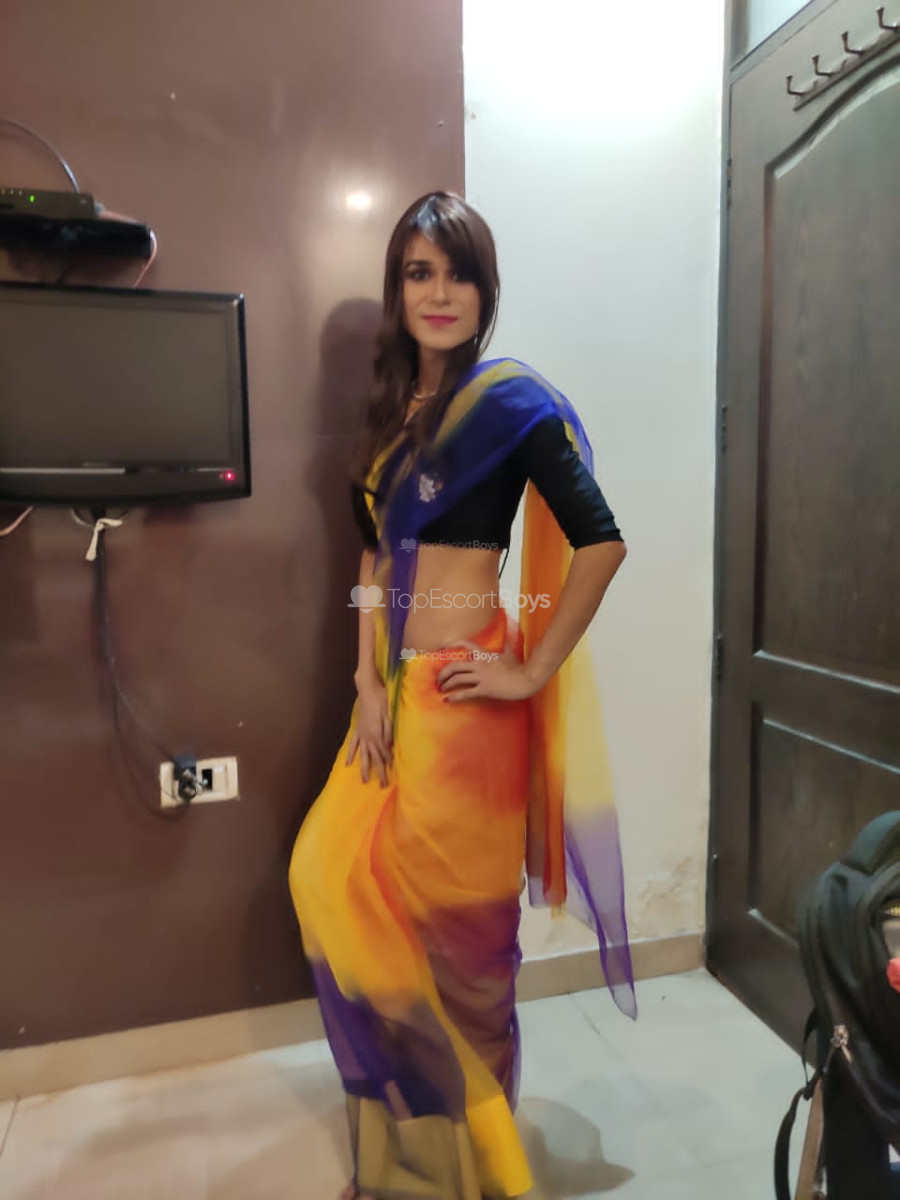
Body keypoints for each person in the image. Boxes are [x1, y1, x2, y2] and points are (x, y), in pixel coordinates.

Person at [289, 191, 636, 1200]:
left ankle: (475, 1171)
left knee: (464, 954)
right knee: (331, 883)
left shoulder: (510, 404)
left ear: (485, 290)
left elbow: (602, 544)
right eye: (418, 273)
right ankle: (412, 1158)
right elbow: (371, 559)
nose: (439, 293)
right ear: (397, 290)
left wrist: (529, 670)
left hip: (470, 708)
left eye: (458, 273)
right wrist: (364, 679)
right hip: (393, 699)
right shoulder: (390, 418)